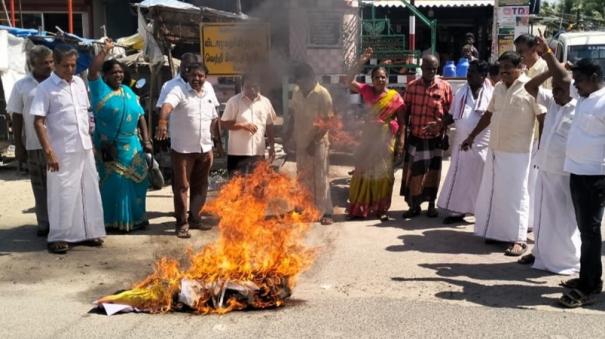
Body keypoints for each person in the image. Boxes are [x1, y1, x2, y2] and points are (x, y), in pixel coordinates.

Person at [461, 51, 543, 257]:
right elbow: (488, 115)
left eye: (508, 67)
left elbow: (543, 117)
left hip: (519, 151)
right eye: (501, 67)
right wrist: (471, 137)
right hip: (496, 149)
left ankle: (519, 239)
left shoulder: (531, 87)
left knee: (517, 194)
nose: (503, 71)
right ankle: (498, 233)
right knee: (495, 192)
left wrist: (544, 145)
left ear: (519, 66)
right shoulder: (498, 88)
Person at [31, 45, 106, 254]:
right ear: (55, 63)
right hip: (61, 150)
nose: (70, 69)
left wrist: (92, 143)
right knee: (62, 192)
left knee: (88, 189)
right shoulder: (45, 88)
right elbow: (38, 122)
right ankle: (58, 236)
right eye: (66, 65)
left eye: (73, 65)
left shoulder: (80, 83)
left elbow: (86, 113)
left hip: (84, 146)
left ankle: (89, 232)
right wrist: (48, 151)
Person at [517, 34, 580, 275]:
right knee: (544, 218)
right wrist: (552, 76)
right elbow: (530, 86)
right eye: (554, 89)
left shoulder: (579, 107)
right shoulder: (553, 103)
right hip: (545, 170)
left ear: (572, 90)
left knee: (563, 221)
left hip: (565, 175)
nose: (556, 93)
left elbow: (564, 78)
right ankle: (541, 255)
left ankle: (566, 262)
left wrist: (555, 64)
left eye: (561, 90)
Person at [88, 39, 152, 232]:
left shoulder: (128, 91)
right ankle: (112, 222)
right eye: (113, 72)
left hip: (133, 146)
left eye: (120, 72)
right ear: (105, 76)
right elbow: (92, 71)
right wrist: (105, 51)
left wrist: (147, 141)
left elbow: (140, 115)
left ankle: (137, 219)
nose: (118, 74)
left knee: (138, 182)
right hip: (110, 147)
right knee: (114, 184)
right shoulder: (100, 91)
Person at [557, 58, 605, 308]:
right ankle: (590, 278)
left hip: (595, 176)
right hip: (578, 172)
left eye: (579, 80)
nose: (575, 85)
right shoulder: (585, 100)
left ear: (594, 77)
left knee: (591, 231)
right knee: (586, 230)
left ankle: (589, 284)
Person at [156, 63, 218, 238]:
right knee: (182, 187)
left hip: (205, 148)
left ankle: (195, 219)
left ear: (205, 78)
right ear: (188, 75)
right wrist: (162, 122)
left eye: (201, 76)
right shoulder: (178, 90)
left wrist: (217, 141)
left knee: (201, 186)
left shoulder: (209, 90)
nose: (197, 79)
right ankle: (182, 224)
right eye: (194, 75)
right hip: (183, 150)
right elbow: (167, 106)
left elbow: (214, 116)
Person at [346, 47, 405, 220]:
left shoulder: (396, 98)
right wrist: (361, 61)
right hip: (368, 139)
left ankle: (381, 210)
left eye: (383, 77)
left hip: (386, 141)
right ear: (372, 80)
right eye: (377, 77)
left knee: (384, 175)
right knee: (363, 173)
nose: (380, 79)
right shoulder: (367, 91)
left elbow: (402, 124)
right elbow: (348, 80)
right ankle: (360, 209)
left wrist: (401, 143)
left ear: (387, 79)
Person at [437, 60, 493, 224]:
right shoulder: (461, 92)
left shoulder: (492, 93)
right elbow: (452, 115)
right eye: (469, 71)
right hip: (462, 144)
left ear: (482, 76)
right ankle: (458, 211)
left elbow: (490, 118)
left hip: (483, 144)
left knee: (481, 178)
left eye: (473, 72)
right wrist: (440, 125)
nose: (468, 75)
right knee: (461, 177)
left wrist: (473, 137)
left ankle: (480, 212)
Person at [7, 45, 53, 237]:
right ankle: (44, 224)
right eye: (44, 63)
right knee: (40, 186)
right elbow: (16, 117)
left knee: (59, 187)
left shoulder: (58, 82)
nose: (49, 66)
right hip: (34, 145)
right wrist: (19, 145)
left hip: (59, 145)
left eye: (51, 61)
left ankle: (62, 223)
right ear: (33, 64)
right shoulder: (21, 85)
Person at [400, 54, 453, 218]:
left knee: (432, 174)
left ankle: (431, 205)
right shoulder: (412, 86)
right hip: (416, 137)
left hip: (435, 140)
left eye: (434, 68)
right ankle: (414, 206)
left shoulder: (445, 87)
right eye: (428, 68)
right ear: (421, 68)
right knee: (414, 174)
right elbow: (405, 112)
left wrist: (441, 124)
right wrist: (404, 135)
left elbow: (451, 114)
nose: (431, 71)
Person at [289, 62, 334, 225]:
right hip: (301, 141)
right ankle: (305, 208)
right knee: (303, 177)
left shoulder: (323, 94)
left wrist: (314, 142)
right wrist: (289, 135)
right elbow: (293, 114)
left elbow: (328, 122)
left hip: (318, 143)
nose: (298, 84)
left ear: (310, 78)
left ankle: (326, 212)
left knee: (321, 178)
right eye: (297, 82)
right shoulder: (297, 92)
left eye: (300, 81)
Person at [220, 74, 275, 176]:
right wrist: (242, 125)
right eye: (248, 86)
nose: (252, 89)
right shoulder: (233, 102)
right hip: (237, 155)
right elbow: (223, 123)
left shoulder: (266, 102)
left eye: (255, 86)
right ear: (242, 86)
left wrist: (272, 146)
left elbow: (269, 125)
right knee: (237, 188)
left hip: (258, 154)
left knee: (257, 187)